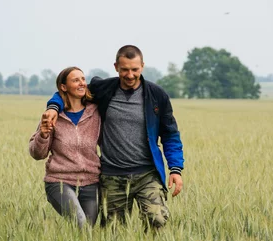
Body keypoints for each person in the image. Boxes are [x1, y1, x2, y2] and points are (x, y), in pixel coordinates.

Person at [44, 45, 184, 229]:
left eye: (135, 69)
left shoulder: (157, 96)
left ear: (142, 66)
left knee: (157, 219)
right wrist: (53, 107)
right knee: (114, 230)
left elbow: (170, 134)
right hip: (112, 175)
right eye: (124, 69)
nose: (130, 75)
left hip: (147, 174)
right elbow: (70, 91)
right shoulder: (103, 89)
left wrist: (175, 169)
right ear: (116, 66)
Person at [29, 66, 101, 228]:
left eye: (83, 79)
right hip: (60, 181)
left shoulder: (95, 112)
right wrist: (43, 134)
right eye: (75, 80)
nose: (82, 83)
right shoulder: (52, 116)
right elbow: (37, 154)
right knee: (81, 224)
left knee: (88, 231)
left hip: (91, 182)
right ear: (63, 87)